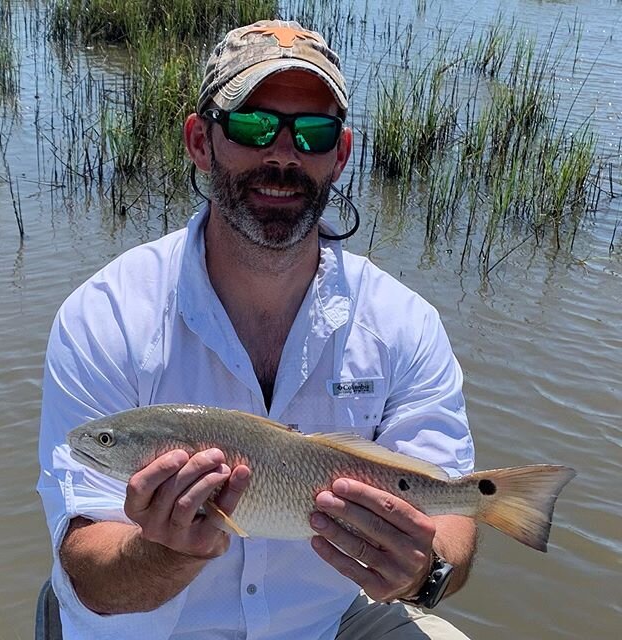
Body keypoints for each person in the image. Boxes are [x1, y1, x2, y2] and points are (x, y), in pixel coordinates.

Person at [37, 19, 476, 640]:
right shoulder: (104, 316)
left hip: (326, 625)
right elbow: (88, 571)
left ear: (341, 154)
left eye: (314, 132)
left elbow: (455, 511)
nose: (283, 154)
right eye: (251, 124)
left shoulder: (404, 324)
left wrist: (423, 572)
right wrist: (170, 551)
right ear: (199, 141)